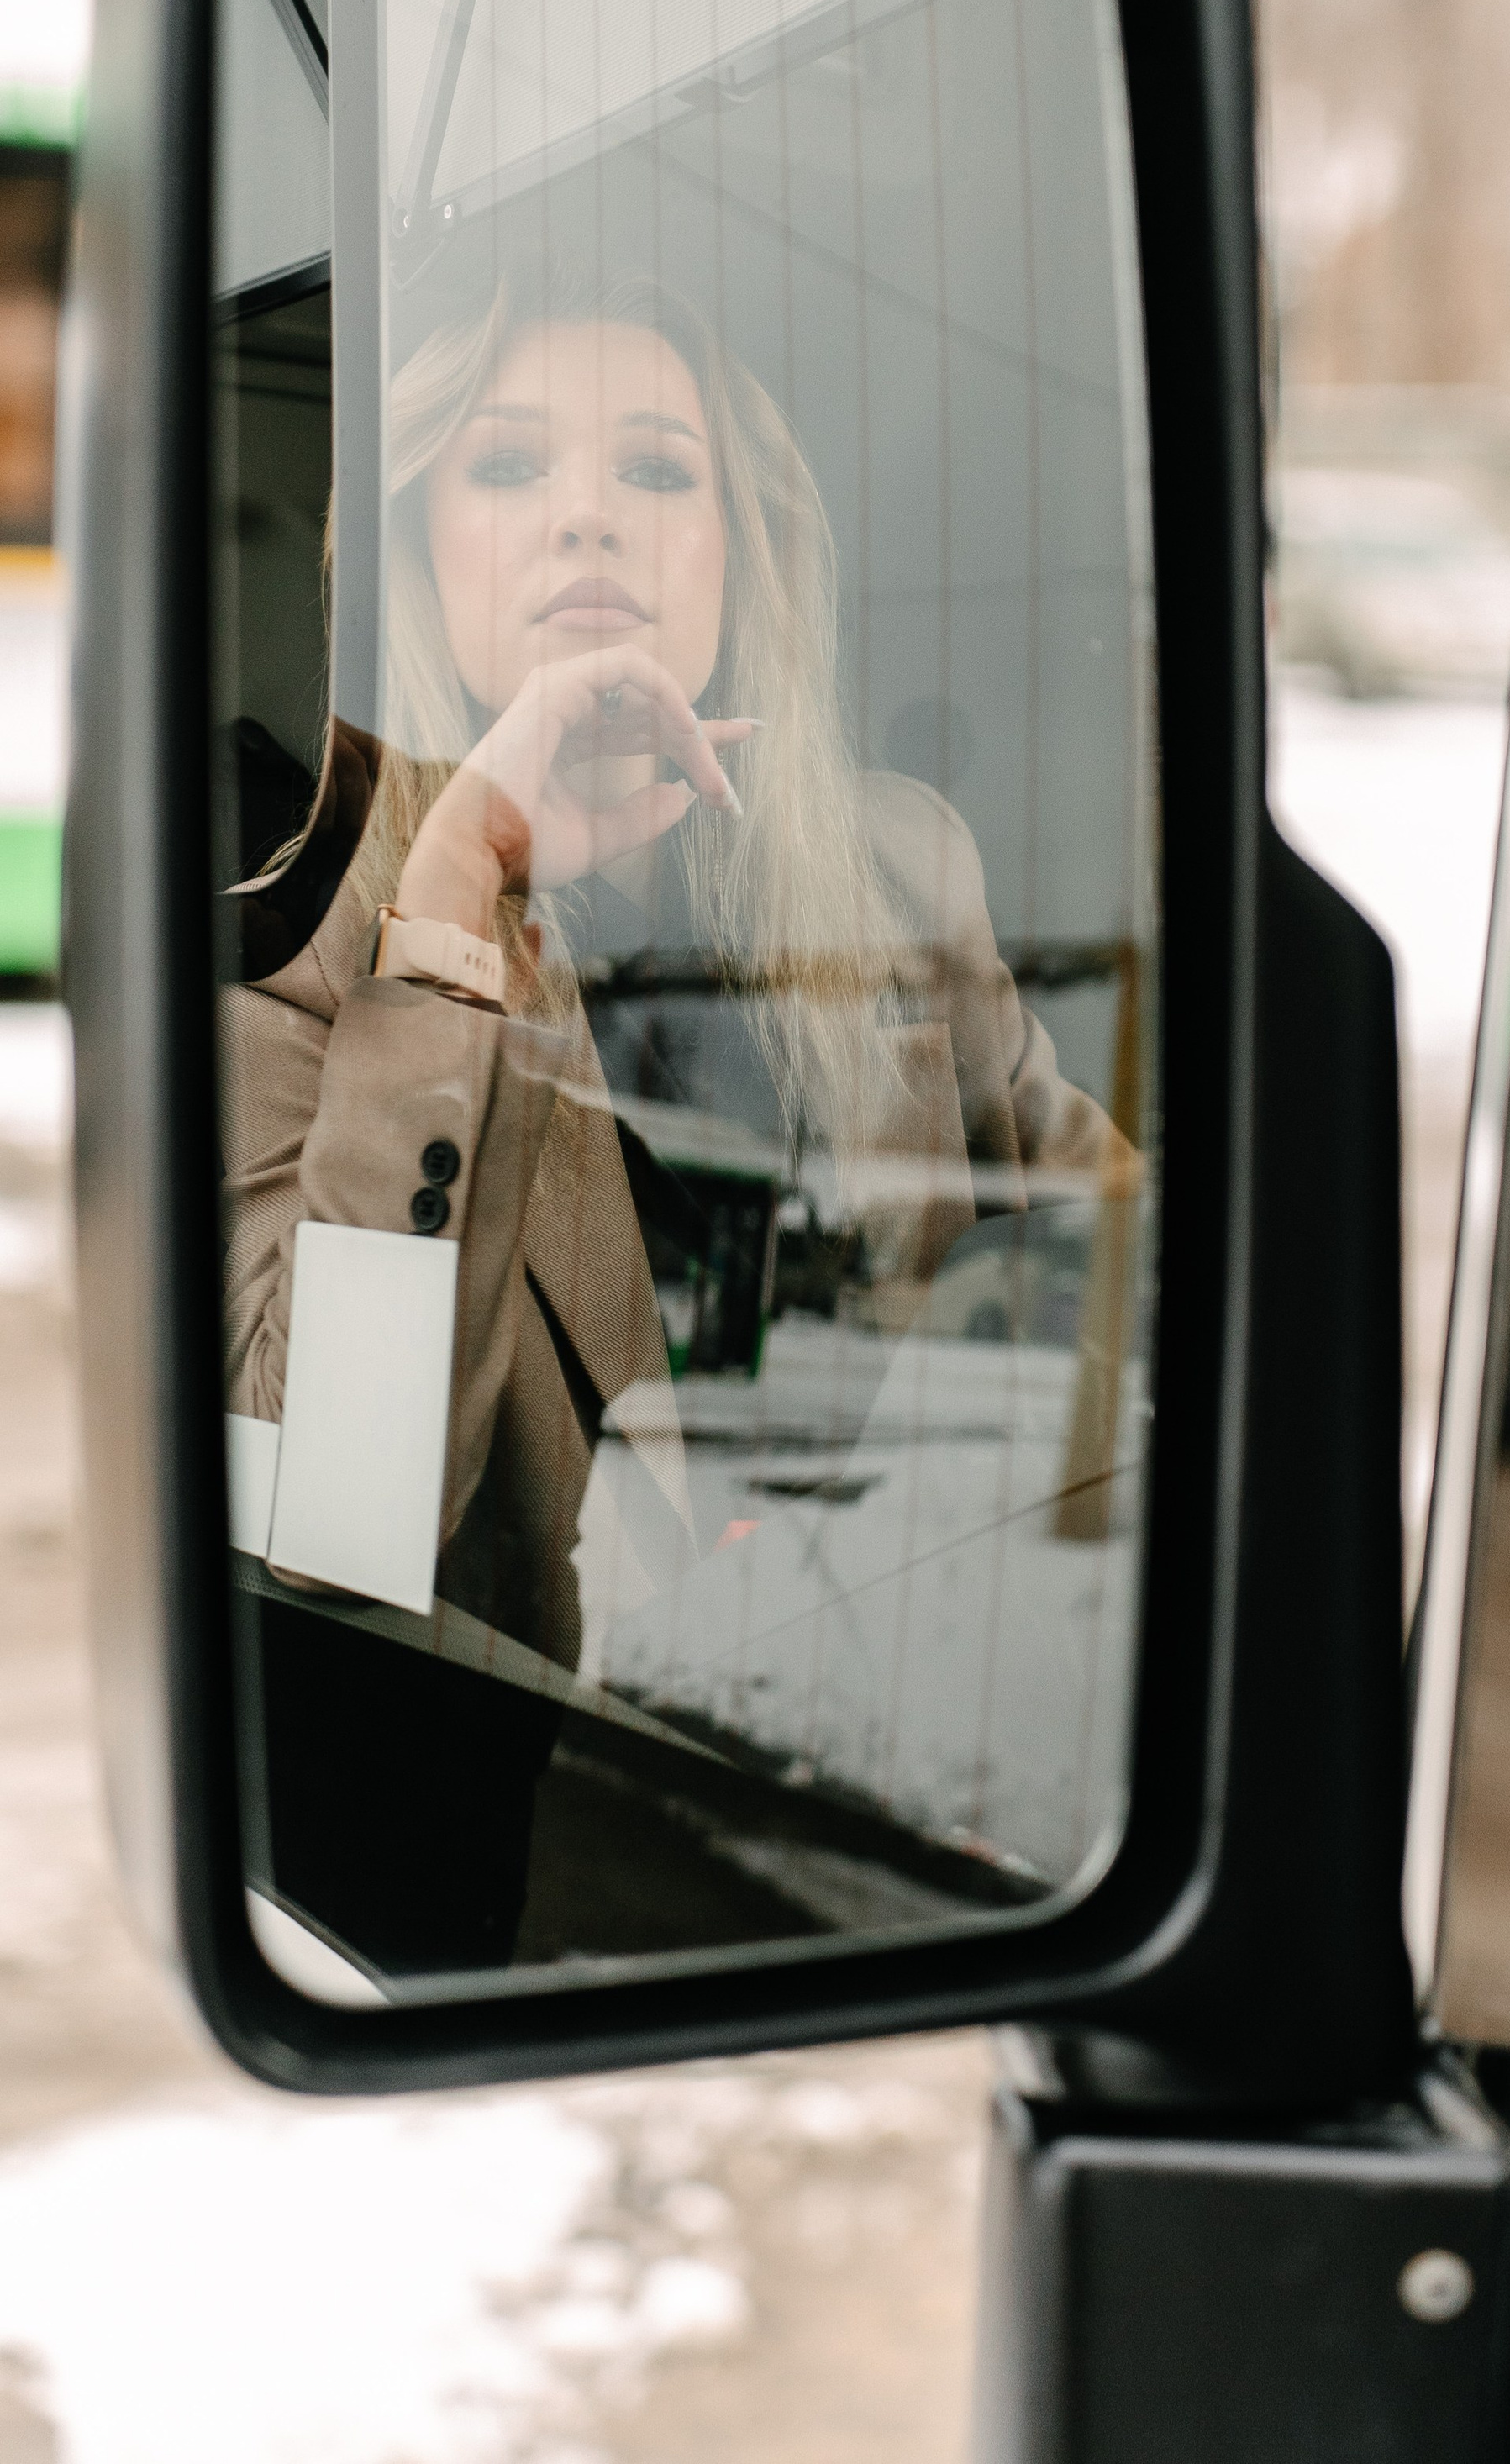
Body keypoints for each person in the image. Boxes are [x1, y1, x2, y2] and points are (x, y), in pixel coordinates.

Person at [219, 268, 1130, 1974]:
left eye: (653, 470)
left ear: (743, 552)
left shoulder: (903, 869)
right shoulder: (287, 955)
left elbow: (1119, 1257)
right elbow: (334, 1520)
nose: (586, 518)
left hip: (927, 1804)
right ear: (414, 558)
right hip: (553, 1876)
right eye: (505, 471)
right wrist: (451, 904)